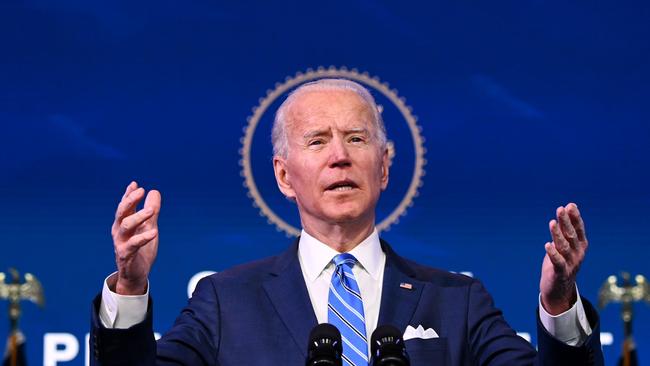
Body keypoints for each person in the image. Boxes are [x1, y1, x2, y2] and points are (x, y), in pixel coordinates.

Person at [90, 79, 603, 365]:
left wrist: (559, 306)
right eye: (318, 141)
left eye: (357, 139)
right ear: (284, 176)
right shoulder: (226, 302)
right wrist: (131, 288)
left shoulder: (457, 302)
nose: (340, 156)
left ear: (383, 167)